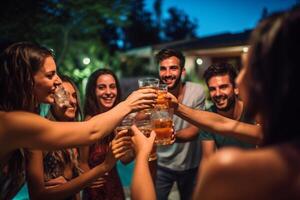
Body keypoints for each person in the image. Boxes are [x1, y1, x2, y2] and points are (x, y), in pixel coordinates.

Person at [131, 7, 300, 200]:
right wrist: (176, 107)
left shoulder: (225, 165)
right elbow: (221, 123)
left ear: (268, 81)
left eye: (247, 66)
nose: (240, 77)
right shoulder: (270, 137)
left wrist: (142, 157)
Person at [0, 42, 156, 199]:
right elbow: (92, 130)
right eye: (50, 75)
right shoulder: (12, 122)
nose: (59, 81)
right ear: (26, 79)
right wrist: (129, 103)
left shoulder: (17, 118)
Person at [26, 75, 132, 199]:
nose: (73, 101)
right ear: (51, 99)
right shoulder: (38, 136)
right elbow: (37, 195)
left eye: (74, 96)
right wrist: (99, 171)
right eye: (64, 95)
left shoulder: (74, 137)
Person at [155, 48, 206, 200]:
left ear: (182, 71)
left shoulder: (196, 91)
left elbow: (196, 130)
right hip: (162, 164)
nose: (168, 73)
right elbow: (142, 121)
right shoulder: (154, 94)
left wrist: (171, 135)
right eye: (163, 68)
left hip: (191, 165)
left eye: (173, 68)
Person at [79, 69, 134, 200]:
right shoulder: (89, 122)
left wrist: (140, 145)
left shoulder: (118, 121)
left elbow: (125, 160)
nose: (108, 92)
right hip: (96, 191)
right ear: (93, 92)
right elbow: (82, 162)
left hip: (115, 186)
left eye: (112, 87)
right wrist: (89, 180)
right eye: (102, 87)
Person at [199, 63, 255, 165]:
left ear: (236, 88)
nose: (218, 93)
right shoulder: (208, 116)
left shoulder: (253, 110)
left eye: (223, 87)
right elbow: (208, 160)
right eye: (212, 89)